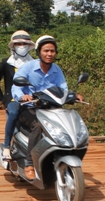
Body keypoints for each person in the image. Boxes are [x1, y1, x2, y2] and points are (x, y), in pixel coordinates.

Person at [11, 35, 81, 180]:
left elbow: (63, 88)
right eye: (46, 51)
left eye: (52, 51)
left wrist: (73, 96)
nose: (49, 54)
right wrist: (22, 96)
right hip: (29, 108)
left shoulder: (57, 70)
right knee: (38, 125)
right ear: (39, 52)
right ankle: (30, 163)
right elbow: (16, 86)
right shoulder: (28, 67)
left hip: (51, 109)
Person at [0, 30, 35, 161]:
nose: (22, 46)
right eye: (18, 43)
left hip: (31, 98)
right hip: (13, 99)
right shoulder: (7, 63)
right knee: (14, 113)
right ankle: (6, 146)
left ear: (29, 46)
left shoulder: (34, 63)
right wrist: (2, 99)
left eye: (24, 43)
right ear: (13, 46)